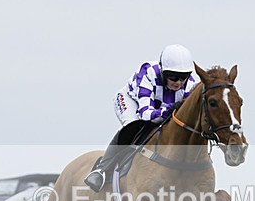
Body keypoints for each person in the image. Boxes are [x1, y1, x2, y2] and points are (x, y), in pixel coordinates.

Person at [84, 44, 198, 192]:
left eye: (183, 77)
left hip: (162, 107)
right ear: (163, 71)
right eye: (173, 77)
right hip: (133, 101)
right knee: (135, 126)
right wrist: (170, 109)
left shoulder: (191, 85)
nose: (178, 82)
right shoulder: (148, 73)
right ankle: (101, 170)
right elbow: (146, 115)